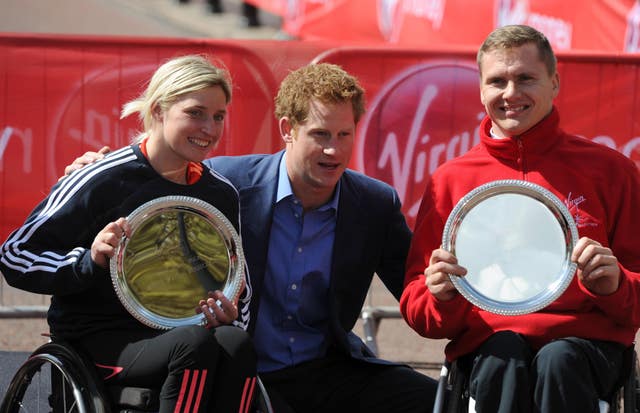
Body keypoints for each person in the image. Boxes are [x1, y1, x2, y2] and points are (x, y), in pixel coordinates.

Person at [64, 62, 438, 412]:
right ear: (287, 129)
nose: (333, 150)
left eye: (344, 135)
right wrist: (96, 170)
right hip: (241, 370)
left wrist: (461, 299)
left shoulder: (374, 202)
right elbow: (154, 182)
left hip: (330, 366)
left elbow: (416, 287)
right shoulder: (224, 186)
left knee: (434, 401)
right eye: (320, 134)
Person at [400, 24, 640, 412]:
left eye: (525, 78)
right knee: (503, 358)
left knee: (558, 361)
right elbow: (419, 310)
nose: (511, 93)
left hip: (586, 348)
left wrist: (616, 285)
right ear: (481, 90)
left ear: (555, 82)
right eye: (497, 81)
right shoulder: (450, 180)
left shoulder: (611, 171)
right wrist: (440, 294)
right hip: (489, 346)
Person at [1, 54, 257, 412]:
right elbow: (15, 254)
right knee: (195, 345)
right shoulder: (101, 178)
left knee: (236, 342)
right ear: (158, 109)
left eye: (218, 117)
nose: (209, 129)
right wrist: (88, 259)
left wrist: (231, 314)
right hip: (97, 338)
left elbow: (238, 282)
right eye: (195, 113)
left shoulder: (219, 193)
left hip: (181, 332)